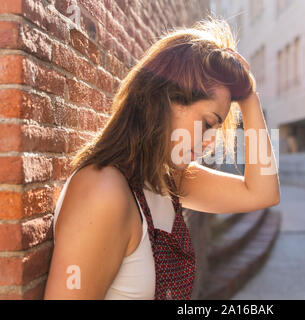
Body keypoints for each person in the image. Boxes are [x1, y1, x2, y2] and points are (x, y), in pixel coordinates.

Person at [43, 16, 280, 300]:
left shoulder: (165, 180)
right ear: (166, 99)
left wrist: (249, 96)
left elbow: (263, 193)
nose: (210, 142)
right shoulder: (102, 191)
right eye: (207, 123)